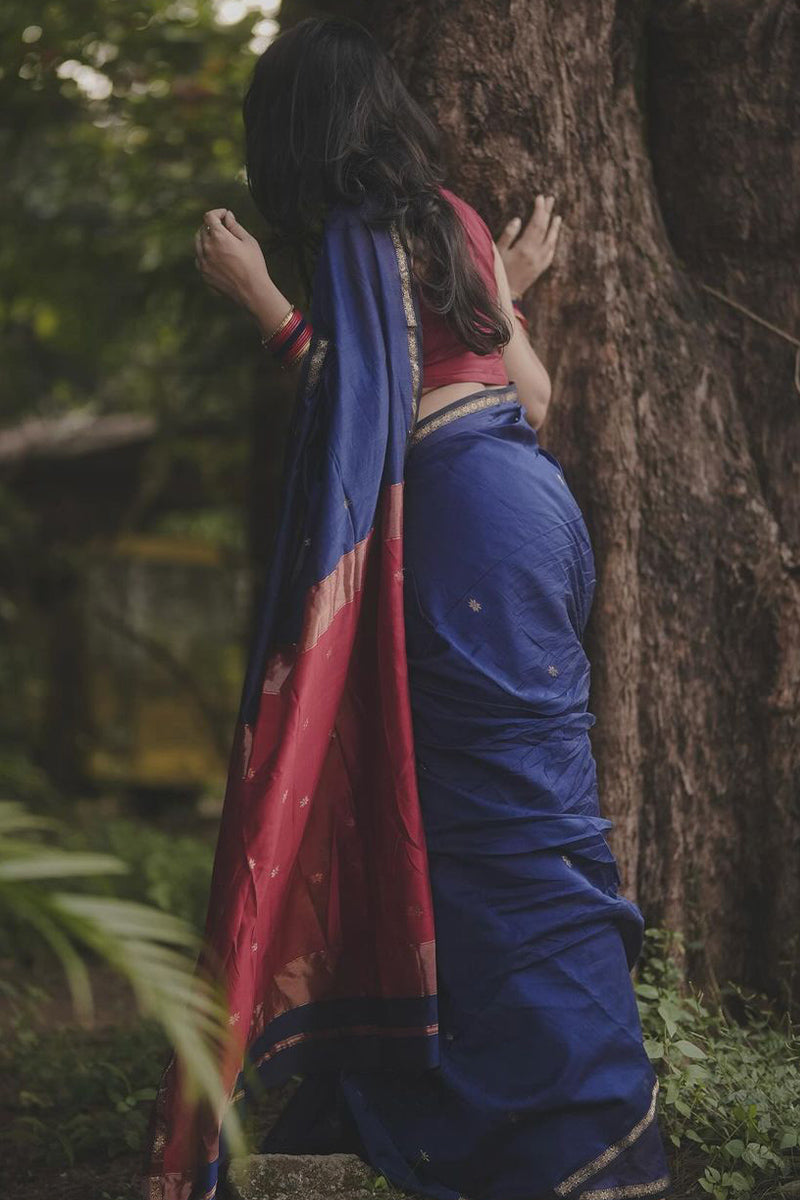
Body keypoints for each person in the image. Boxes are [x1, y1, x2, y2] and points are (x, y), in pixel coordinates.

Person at [143, 16, 671, 1200]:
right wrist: (502, 295)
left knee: (488, 840)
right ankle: (599, 1128)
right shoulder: (453, 219)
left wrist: (260, 298)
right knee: (535, 822)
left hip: (457, 539)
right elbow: (526, 396)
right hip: (531, 516)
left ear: (292, 137)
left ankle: (536, 1125)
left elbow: (360, 417)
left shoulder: (346, 240)